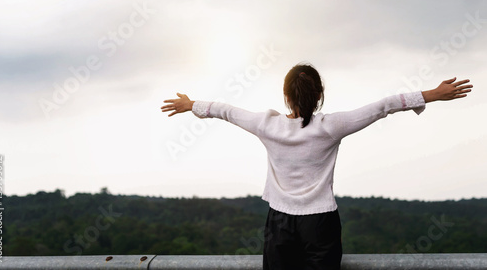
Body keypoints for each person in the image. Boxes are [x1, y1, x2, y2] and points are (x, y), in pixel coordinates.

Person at [160, 63, 472, 270]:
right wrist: (433, 94)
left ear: (285, 96)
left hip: (280, 224)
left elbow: (224, 110)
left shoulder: (266, 125)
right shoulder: (332, 126)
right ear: (320, 95)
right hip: (321, 225)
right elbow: (384, 106)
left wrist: (191, 106)